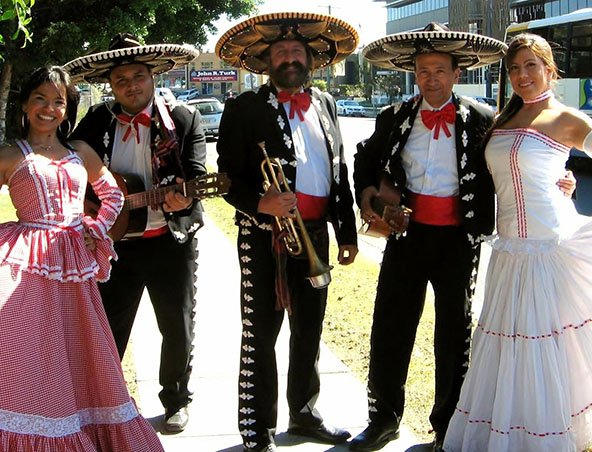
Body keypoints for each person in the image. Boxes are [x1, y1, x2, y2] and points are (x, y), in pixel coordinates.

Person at [351, 23, 568, 452]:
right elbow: (364, 159)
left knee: (453, 336)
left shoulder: (485, 119)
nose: (431, 78)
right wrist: (370, 197)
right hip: (406, 238)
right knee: (390, 327)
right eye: (423, 71)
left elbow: (517, 163)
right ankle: (383, 418)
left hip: (458, 242)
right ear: (414, 75)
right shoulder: (393, 118)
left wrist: (558, 180)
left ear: (455, 74)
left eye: (439, 70)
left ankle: (447, 427)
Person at [216, 12, 359, 452]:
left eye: (297, 51)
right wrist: (261, 202)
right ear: (267, 60)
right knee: (261, 330)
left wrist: (348, 232)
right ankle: (256, 427)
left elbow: (339, 172)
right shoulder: (244, 108)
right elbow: (225, 176)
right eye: (281, 52)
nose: (290, 58)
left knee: (310, 327)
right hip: (263, 237)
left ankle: (304, 413)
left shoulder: (325, 104)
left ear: (310, 58)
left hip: (315, 234)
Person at [0, 66, 164, 451]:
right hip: (27, 263)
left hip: (73, 266)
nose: (49, 108)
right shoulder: (9, 154)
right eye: (40, 98)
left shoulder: (80, 151)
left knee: (80, 348)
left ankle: (78, 421)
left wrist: (97, 229)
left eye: (58, 101)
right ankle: (37, 419)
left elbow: (114, 195)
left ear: (67, 108)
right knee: (29, 346)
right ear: (25, 104)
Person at [443, 33, 592, 452]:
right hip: (508, 251)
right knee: (506, 344)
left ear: (550, 69)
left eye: (531, 65)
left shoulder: (567, 119)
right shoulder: (502, 120)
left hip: (547, 250)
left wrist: (568, 183)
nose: (522, 75)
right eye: (514, 68)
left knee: (540, 347)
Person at [64, 33, 206, 433]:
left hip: (169, 242)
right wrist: (89, 205)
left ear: (153, 76)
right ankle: (103, 400)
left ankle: (176, 400)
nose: (131, 85)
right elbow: (70, 169)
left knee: (177, 325)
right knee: (108, 327)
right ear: (110, 84)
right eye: (121, 78)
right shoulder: (96, 121)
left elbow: (194, 178)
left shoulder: (182, 118)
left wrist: (184, 199)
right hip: (114, 245)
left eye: (138, 76)